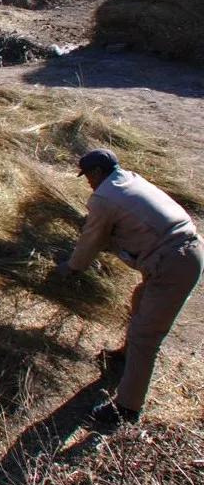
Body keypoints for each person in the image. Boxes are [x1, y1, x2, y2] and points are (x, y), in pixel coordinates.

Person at [54, 148, 202, 427]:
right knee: (140, 298)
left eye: (87, 176)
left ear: (98, 172)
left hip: (174, 262)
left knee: (146, 337)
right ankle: (124, 356)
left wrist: (72, 267)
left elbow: (91, 239)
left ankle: (127, 409)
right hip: (184, 251)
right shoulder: (128, 179)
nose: (88, 182)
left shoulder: (104, 198)